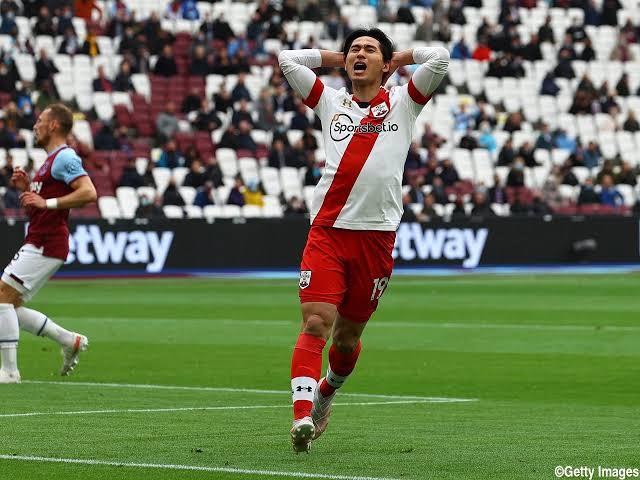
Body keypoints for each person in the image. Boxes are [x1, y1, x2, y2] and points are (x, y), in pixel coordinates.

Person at [279, 28, 449, 452]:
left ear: (385, 63)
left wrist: (398, 58)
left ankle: (326, 393)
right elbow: (287, 59)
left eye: (369, 50)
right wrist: (340, 57)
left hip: (376, 238)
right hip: (329, 232)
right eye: (354, 49)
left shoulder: (404, 102)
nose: (359, 53)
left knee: (347, 339)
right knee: (316, 322)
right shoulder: (330, 102)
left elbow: (441, 57)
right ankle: (301, 416)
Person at [0, 103, 97, 383]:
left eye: (40, 120)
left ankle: (9, 371)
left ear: (54, 125)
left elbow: (89, 193)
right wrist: (28, 190)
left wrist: (47, 202)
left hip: (46, 242)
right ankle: (67, 339)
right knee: (9, 306)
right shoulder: (49, 161)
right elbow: (40, 208)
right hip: (41, 239)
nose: (35, 125)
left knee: (2, 298)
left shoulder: (64, 157)